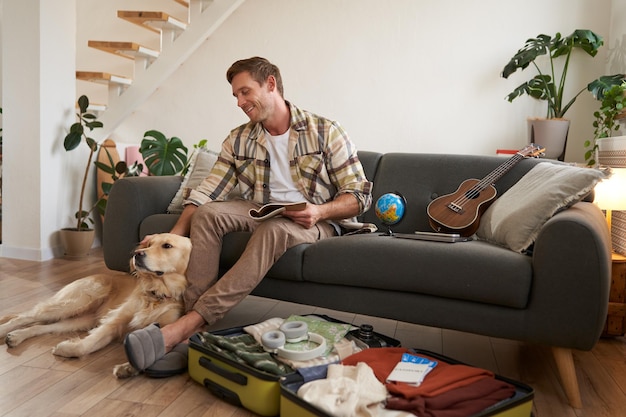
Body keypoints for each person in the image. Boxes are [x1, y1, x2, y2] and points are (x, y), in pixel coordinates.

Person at [123, 56, 373, 376]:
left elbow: (359, 196)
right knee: (209, 214)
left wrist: (320, 210)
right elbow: (208, 191)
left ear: (270, 84)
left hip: (317, 219)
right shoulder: (239, 138)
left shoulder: (325, 131)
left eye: (245, 92)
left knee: (274, 231)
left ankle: (184, 327)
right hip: (262, 207)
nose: (240, 102)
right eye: (236, 96)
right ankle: (194, 334)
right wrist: (171, 235)